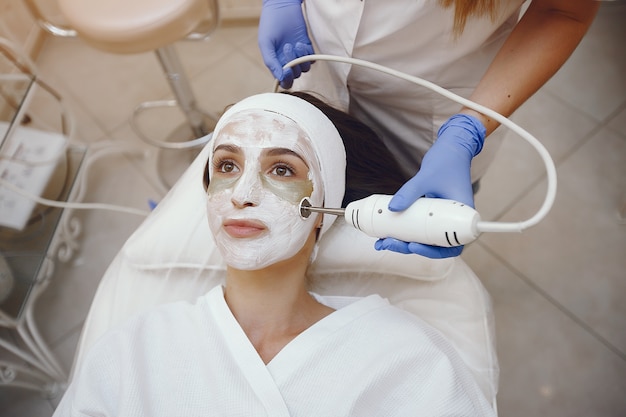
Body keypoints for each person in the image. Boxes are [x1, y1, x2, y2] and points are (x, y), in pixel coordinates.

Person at [52, 92, 495, 416]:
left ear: (325, 207)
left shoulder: (407, 358)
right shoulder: (130, 352)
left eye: (281, 169)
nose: (242, 194)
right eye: (226, 166)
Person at [258, 0, 599, 259]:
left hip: (430, 118)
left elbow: (564, 11)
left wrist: (467, 131)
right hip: (318, 70)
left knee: (403, 233)